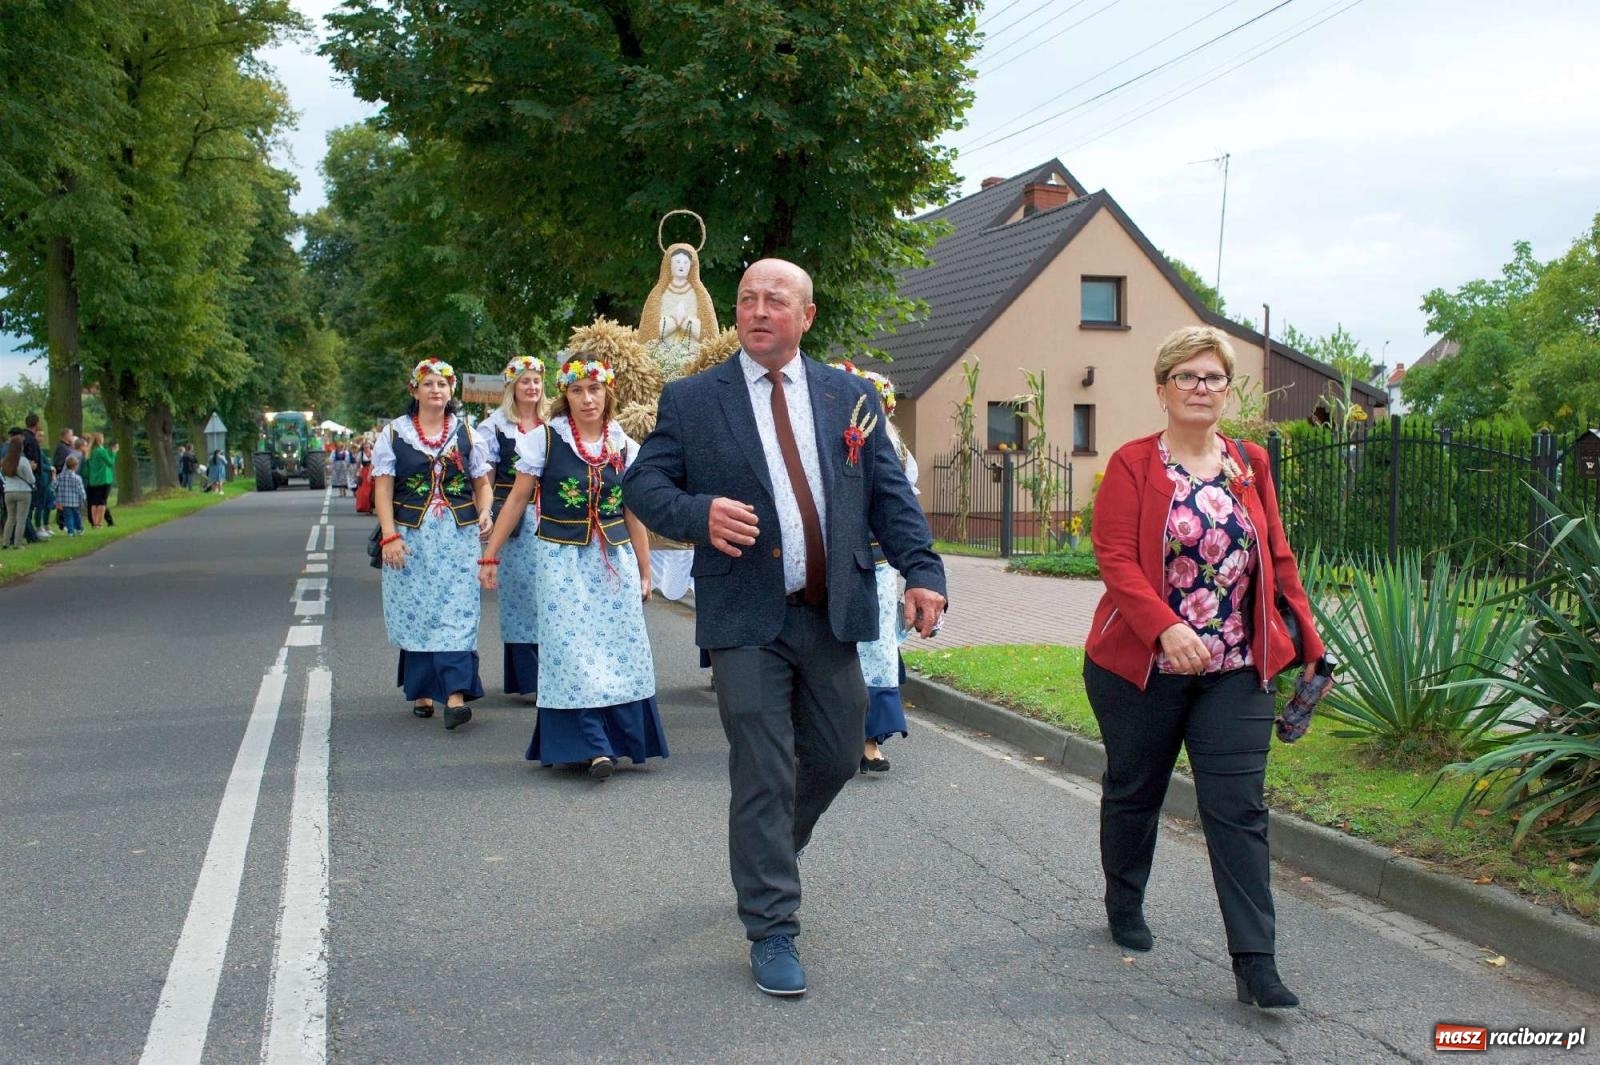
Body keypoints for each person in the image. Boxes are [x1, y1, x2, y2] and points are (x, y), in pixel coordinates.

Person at [624, 258, 947, 997]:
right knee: (764, 766)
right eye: (746, 299)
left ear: (806, 314)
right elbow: (643, 483)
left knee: (836, 756)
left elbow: (888, 496)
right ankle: (772, 925)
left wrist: (925, 571)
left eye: (776, 299)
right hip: (744, 617)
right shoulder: (694, 399)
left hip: (832, 613)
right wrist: (697, 513)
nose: (758, 309)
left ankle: (770, 847)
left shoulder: (850, 396)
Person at [1083, 325, 1325, 1010]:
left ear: (1227, 390)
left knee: (1238, 809)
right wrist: (1165, 627)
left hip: (1236, 667)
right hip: (1141, 666)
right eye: (1187, 377)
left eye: (1213, 377)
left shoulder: (1250, 463)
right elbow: (1118, 559)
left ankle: (1257, 963)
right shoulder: (1134, 464)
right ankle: (1123, 898)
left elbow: (1276, 558)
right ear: (1162, 389)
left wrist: (1309, 640)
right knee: (1135, 790)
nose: (1201, 388)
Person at [480, 354, 665, 779]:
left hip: (613, 560)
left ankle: (615, 739)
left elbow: (632, 511)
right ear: (565, 394)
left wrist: (644, 568)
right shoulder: (545, 441)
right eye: (577, 390)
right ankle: (594, 745)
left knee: (619, 649)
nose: (587, 398)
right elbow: (516, 500)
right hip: (561, 561)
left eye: (595, 389)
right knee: (571, 648)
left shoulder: (622, 444)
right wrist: (491, 553)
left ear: (608, 393)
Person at [373, 357, 495, 729]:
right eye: (428, 384)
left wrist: (486, 512)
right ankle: (423, 689)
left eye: (442, 384)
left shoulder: (467, 434)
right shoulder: (394, 434)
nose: (436, 390)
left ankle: (455, 696)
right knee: (417, 610)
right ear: (415, 390)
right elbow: (383, 489)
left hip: (458, 538)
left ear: (451, 390)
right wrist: (390, 535)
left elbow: (482, 483)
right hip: (412, 537)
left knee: (457, 612)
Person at [830, 362, 920, 774]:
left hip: (879, 563)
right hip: (832, 560)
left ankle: (870, 741)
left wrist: (917, 568)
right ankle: (829, 735)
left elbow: (905, 510)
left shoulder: (898, 453)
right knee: (832, 647)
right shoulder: (831, 440)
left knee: (879, 647)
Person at [476, 354, 548, 701]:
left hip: (552, 517)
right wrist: (487, 511)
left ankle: (553, 671)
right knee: (520, 595)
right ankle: (527, 679)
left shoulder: (554, 423)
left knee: (550, 593)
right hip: (515, 521)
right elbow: (486, 476)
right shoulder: (495, 426)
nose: (532, 387)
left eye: (536, 381)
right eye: (525, 381)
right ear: (512, 387)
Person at [639, 242, 719, 348]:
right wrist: (673, 322)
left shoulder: (698, 295)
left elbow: (706, 330)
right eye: (677, 261)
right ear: (669, 264)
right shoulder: (659, 294)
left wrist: (685, 321)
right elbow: (651, 328)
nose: (681, 265)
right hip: (662, 351)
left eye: (686, 262)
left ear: (692, 266)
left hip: (693, 351)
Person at [3, 429, 35, 549]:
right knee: (21, 519)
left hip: (8, 491)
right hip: (23, 491)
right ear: (21, 448)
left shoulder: (5, 461)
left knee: (10, 518)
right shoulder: (23, 461)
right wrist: (32, 468)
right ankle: (17, 543)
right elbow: (31, 479)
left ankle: (5, 542)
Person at [22, 414, 50, 541]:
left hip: (26, 477)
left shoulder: (23, 437)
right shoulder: (31, 440)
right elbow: (34, 462)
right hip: (33, 478)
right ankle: (31, 534)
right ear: (36, 424)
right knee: (31, 506)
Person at [85, 434, 115, 529]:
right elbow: (110, 462)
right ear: (99, 440)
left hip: (93, 480)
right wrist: (114, 452)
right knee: (102, 502)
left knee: (94, 503)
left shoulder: (91, 451)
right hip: (103, 479)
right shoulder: (100, 451)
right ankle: (99, 523)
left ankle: (94, 523)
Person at [54, 454, 86, 535]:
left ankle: (70, 531)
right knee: (77, 515)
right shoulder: (77, 478)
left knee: (68, 516)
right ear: (75, 466)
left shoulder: (60, 476)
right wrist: (84, 498)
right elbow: (81, 490)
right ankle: (79, 529)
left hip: (64, 501)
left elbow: (54, 486)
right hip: (75, 501)